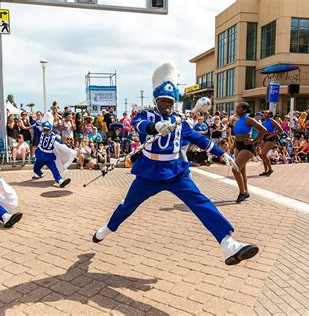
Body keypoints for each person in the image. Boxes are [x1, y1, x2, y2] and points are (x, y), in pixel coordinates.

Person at [92, 62, 258, 266]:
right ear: (155, 100)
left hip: (175, 172)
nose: (167, 105)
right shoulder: (146, 114)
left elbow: (199, 139)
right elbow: (139, 124)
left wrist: (221, 153)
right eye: (163, 101)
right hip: (149, 172)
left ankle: (228, 243)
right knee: (128, 205)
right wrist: (154, 126)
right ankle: (108, 228)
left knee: (201, 202)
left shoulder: (180, 121)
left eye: (170, 101)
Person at [232, 102, 267, 203]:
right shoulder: (238, 120)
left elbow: (263, 130)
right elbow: (237, 134)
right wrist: (233, 146)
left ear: (244, 110)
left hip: (247, 146)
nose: (236, 110)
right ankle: (245, 191)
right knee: (242, 171)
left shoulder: (249, 119)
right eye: (236, 108)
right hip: (238, 146)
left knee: (235, 169)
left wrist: (254, 141)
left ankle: (242, 192)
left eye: (238, 108)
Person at [32, 112, 73, 187]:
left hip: (46, 156)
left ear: (50, 128)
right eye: (45, 129)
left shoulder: (53, 136)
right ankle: (40, 174)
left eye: (47, 129)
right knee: (35, 169)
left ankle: (60, 181)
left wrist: (67, 149)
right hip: (42, 156)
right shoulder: (43, 133)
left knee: (54, 170)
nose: (46, 130)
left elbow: (61, 145)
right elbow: (34, 126)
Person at [260, 111, 284, 176]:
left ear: (270, 114)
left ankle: (270, 169)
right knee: (263, 155)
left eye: (265, 113)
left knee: (263, 153)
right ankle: (265, 170)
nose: (264, 114)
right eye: (264, 113)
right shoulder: (264, 122)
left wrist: (271, 135)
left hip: (271, 138)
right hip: (264, 138)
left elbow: (280, 130)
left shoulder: (272, 121)